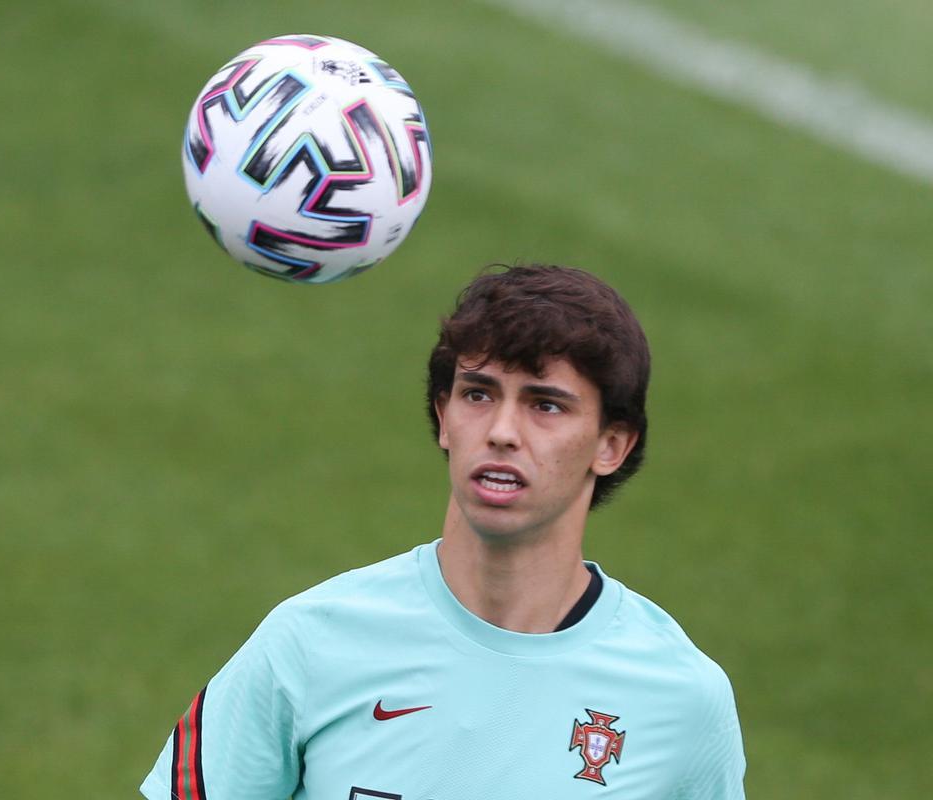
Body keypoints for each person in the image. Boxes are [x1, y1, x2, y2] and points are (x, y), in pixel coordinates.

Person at [141, 264, 746, 799]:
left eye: (545, 405)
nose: (503, 431)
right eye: (478, 394)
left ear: (611, 445)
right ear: (443, 419)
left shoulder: (681, 700)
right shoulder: (312, 641)